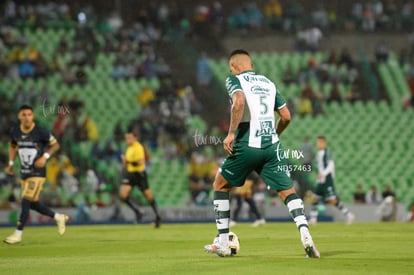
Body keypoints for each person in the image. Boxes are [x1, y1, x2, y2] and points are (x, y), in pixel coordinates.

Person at [204, 49, 320, 258]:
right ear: (251, 64)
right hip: (272, 147)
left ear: (233, 66)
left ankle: (222, 242)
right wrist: (274, 134)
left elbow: (238, 102)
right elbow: (286, 116)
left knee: (220, 185)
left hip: (247, 143)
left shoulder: (234, 79)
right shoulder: (268, 83)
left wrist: (230, 134)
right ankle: (305, 233)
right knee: (288, 191)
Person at [4, 105, 68, 244]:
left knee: (25, 200)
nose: (27, 117)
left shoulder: (41, 131)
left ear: (33, 116)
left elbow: (55, 145)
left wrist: (45, 157)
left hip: (37, 173)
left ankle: (18, 234)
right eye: (24, 115)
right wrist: (10, 163)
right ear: (19, 116)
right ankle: (58, 217)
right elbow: (13, 146)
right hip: (24, 172)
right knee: (32, 203)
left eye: (29, 115)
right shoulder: (15, 131)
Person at [119, 129, 161, 228]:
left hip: (139, 174)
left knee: (148, 196)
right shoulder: (129, 148)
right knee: (123, 195)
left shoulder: (138, 147)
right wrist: (125, 164)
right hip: (130, 174)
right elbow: (128, 162)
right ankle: (138, 212)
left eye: (129, 138)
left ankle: (158, 217)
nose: (127, 140)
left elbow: (140, 162)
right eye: (126, 138)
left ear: (135, 138)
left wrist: (127, 161)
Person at [309, 136, 355, 225]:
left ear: (324, 143)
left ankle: (349, 215)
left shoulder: (327, 153)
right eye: (317, 142)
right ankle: (313, 219)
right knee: (314, 198)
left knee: (332, 200)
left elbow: (331, 165)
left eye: (319, 142)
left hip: (327, 180)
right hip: (321, 181)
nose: (318, 144)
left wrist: (323, 174)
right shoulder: (319, 153)